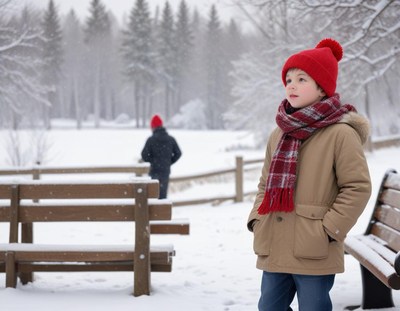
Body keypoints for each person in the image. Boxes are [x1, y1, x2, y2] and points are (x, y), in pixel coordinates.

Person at [247, 38, 371, 311]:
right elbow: (265, 184)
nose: (291, 84)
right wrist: (257, 219)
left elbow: (357, 187)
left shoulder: (340, 133)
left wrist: (328, 230)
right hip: (275, 242)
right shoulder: (278, 133)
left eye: (302, 79)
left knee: (313, 307)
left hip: (313, 245)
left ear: (321, 88)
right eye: (289, 78)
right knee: (269, 307)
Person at [141, 114, 182, 199]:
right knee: (163, 196)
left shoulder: (151, 139)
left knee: (154, 196)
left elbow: (144, 155)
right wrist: (169, 162)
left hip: (155, 171)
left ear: (153, 127)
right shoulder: (170, 139)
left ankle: (154, 212)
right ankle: (162, 211)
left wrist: (152, 160)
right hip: (165, 171)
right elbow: (178, 153)